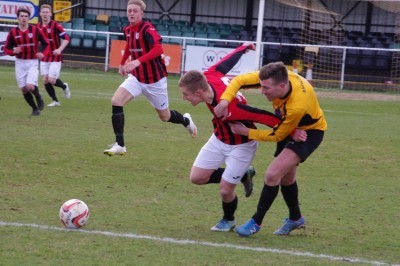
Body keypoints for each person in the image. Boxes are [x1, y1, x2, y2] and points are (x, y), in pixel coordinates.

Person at [179, 43, 305, 232]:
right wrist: (242, 49)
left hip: (242, 146)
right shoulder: (209, 76)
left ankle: (228, 220)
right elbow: (224, 63)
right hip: (219, 138)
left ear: (198, 93)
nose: (184, 98)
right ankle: (243, 175)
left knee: (225, 189)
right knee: (197, 177)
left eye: (185, 95)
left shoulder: (231, 109)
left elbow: (261, 115)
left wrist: (291, 130)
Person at [214, 61, 327, 237]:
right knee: (286, 178)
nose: (262, 91)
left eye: (266, 88)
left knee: (272, 175)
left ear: (282, 85)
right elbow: (237, 81)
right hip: (288, 124)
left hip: (309, 132)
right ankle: (296, 218)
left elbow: (278, 135)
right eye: (261, 85)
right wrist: (224, 101)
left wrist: (247, 132)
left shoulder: (297, 105)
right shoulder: (276, 78)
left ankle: (256, 222)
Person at [104, 0, 197, 156]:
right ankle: (120, 144)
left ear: (142, 13)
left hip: (155, 81)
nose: (131, 13)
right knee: (116, 101)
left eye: (135, 11)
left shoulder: (147, 29)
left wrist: (136, 61)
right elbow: (129, 45)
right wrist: (122, 63)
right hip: (136, 78)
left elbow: (159, 48)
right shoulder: (127, 29)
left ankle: (186, 121)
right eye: (129, 11)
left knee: (165, 116)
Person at [4, 7, 50, 116]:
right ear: (18, 18)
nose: (24, 18)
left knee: (30, 86)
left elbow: (47, 44)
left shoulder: (35, 30)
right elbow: (6, 48)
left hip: (32, 62)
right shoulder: (13, 32)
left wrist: (43, 54)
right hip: (20, 63)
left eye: (26, 16)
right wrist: (13, 51)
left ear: (29, 18)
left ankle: (38, 97)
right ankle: (35, 109)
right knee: (24, 89)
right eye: (22, 16)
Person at [38, 4, 71, 107]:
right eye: (43, 12)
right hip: (44, 57)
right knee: (45, 80)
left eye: (47, 12)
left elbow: (66, 38)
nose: (45, 14)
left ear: (50, 14)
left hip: (55, 57)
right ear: (40, 14)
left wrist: (59, 49)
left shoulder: (56, 26)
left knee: (52, 80)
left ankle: (64, 86)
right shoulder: (38, 27)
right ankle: (55, 101)